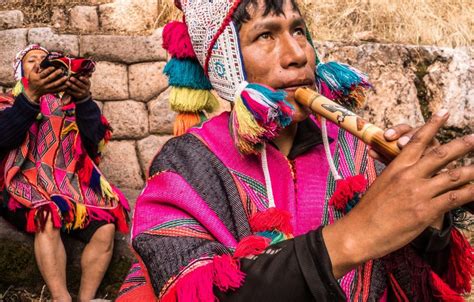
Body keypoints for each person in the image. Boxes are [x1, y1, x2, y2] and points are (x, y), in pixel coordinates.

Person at [117, 0, 473, 301]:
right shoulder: (184, 164)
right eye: (266, 35)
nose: (298, 55)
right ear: (227, 64)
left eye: (299, 31)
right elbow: (187, 288)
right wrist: (355, 236)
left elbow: (414, 277)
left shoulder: (355, 150)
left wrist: (431, 212)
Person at [0, 44, 130, 302]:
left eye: (44, 60)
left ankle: (87, 298)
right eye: (30, 61)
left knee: (105, 227)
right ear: (20, 73)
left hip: (69, 186)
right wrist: (31, 98)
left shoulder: (70, 107)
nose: (38, 63)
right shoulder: (8, 103)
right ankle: (62, 298)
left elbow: (93, 144)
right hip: (22, 185)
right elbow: (4, 137)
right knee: (46, 215)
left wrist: (83, 100)